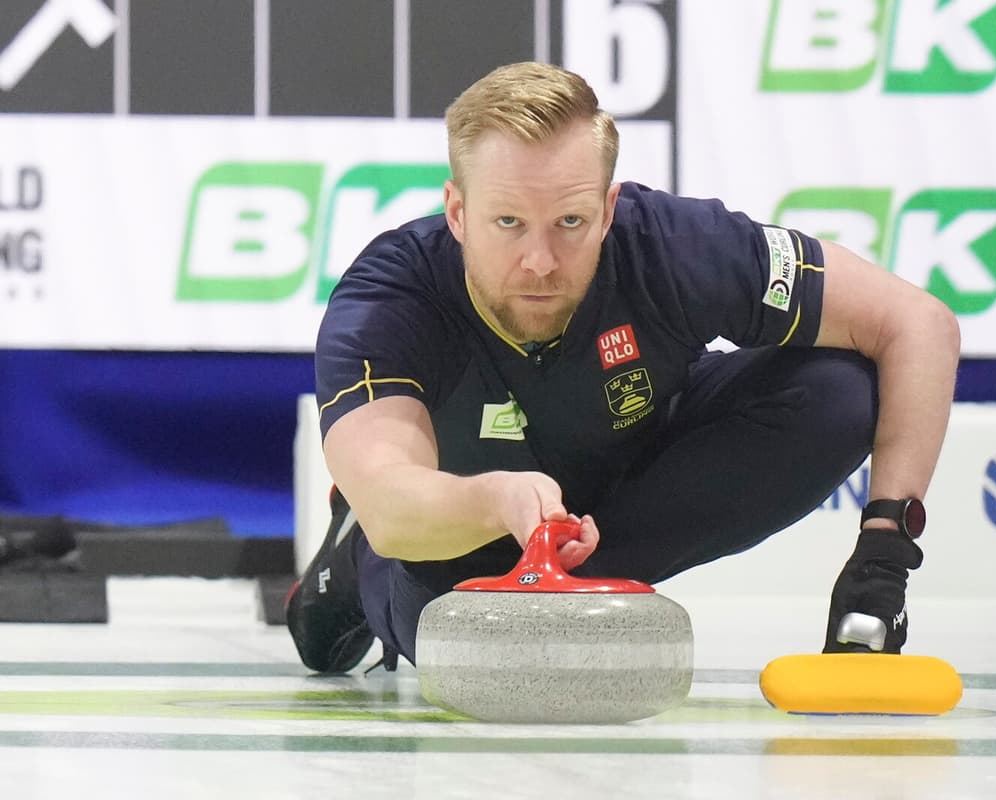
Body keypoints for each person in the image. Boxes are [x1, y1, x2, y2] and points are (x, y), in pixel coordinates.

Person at [285, 62, 960, 673]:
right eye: (509, 222)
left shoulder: (672, 245)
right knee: (464, 637)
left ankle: (578, 584)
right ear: (457, 213)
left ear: (609, 209)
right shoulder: (390, 299)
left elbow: (919, 323)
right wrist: (498, 500)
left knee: (840, 392)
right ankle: (354, 564)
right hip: (460, 537)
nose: (540, 262)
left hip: (621, 487)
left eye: (570, 222)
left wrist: (884, 555)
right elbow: (391, 503)